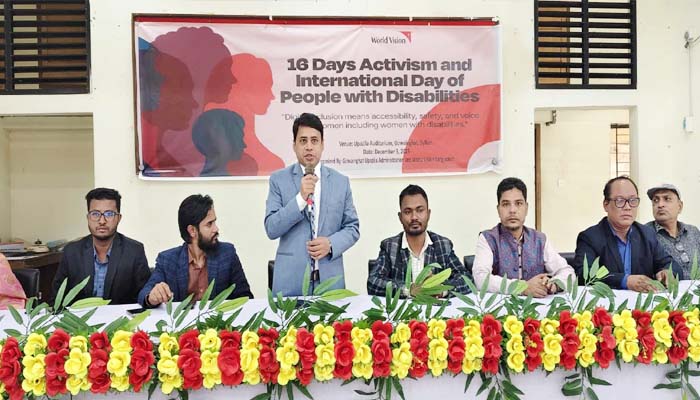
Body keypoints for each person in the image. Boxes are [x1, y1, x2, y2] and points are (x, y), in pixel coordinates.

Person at [264, 112, 360, 296]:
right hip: (290, 285)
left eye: (314, 141)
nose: (309, 147)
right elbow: (271, 228)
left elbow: (352, 228)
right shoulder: (278, 180)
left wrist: (331, 244)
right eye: (303, 141)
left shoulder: (341, 182)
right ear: (294, 145)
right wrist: (300, 199)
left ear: (322, 144)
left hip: (330, 283)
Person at [138, 194, 253, 307]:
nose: (216, 229)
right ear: (192, 230)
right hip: (181, 319)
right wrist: (152, 297)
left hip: (219, 318)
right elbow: (144, 293)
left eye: (214, 222)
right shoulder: (167, 260)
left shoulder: (227, 253)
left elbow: (245, 297)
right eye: (209, 224)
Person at [472, 177, 575, 298]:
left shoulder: (540, 239)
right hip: (501, 306)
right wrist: (522, 287)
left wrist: (554, 284)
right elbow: (480, 278)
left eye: (518, 203)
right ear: (498, 209)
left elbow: (568, 272)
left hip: (538, 306)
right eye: (506, 204)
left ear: (526, 208)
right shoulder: (488, 239)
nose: (512, 210)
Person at [50, 188, 151, 305]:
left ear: (119, 218)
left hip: (119, 316)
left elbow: (143, 297)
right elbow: (56, 299)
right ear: (88, 217)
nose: (102, 221)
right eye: (95, 214)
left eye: (109, 214)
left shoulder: (134, 251)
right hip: (79, 316)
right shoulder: (72, 251)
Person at [574, 176, 675, 292]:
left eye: (633, 201)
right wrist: (624, 280)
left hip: (644, 302)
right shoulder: (590, 238)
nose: (627, 207)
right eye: (620, 201)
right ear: (606, 204)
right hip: (606, 301)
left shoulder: (646, 234)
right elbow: (584, 275)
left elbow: (670, 264)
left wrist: (666, 271)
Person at [367, 184, 471, 297]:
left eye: (420, 210)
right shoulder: (390, 246)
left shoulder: (442, 245)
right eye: (408, 212)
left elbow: (466, 280)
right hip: (402, 308)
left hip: (436, 308)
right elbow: (373, 282)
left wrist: (441, 289)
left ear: (428, 214)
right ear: (400, 217)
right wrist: (408, 289)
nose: (414, 217)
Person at [645, 183, 700, 280]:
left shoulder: (693, 231)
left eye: (667, 199)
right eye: (656, 200)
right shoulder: (645, 233)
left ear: (680, 206)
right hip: (666, 289)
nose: (660, 205)